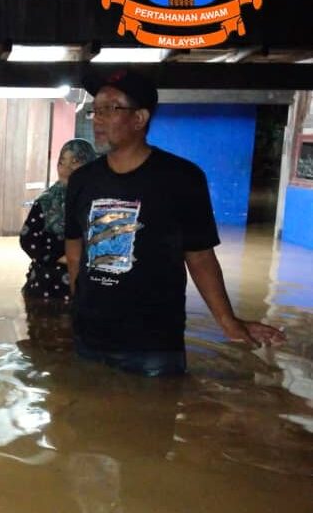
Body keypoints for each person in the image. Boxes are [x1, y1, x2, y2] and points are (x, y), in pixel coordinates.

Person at [64, 69, 285, 376]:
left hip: (153, 345)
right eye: (95, 109)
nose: (97, 119)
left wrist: (228, 323)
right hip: (89, 339)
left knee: (157, 422)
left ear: (140, 118)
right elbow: (74, 247)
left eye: (110, 109)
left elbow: (200, 257)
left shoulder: (182, 179)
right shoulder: (81, 181)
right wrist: (80, 305)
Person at [20, 138, 97, 301]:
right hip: (46, 285)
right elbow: (28, 239)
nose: (66, 169)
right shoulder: (46, 201)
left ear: (90, 166)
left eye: (75, 162)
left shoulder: (99, 203)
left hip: (87, 286)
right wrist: (59, 257)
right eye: (62, 162)